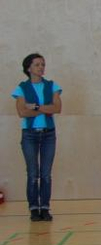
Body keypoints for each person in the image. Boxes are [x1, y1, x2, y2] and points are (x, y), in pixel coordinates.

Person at [12, 53, 62, 222]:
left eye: (43, 64)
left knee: (46, 174)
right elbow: (22, 112)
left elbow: (57, 108)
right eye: (37, 64)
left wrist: (35, 106)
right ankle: (34, 208)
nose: (41, 67)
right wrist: (44, 108)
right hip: (30, 134)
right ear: (29, 68)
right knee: (33, 173)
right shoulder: (21, 88)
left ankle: (45, 207)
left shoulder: (52, 86)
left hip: (48, 134)